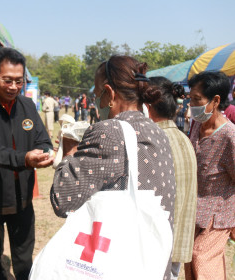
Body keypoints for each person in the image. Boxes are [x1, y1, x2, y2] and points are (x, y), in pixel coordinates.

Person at [50, 55, 176, 279]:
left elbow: (63, 199)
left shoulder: (109, 131)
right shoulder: (158, 131)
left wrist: (69, 152)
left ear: (109, 93)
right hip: (151, 263)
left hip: (116, 265)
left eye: (97, 95)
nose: (97, 102)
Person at [0, 47, 54, 280]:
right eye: (8, 80)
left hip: (22, 197)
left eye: (19, 81)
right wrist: (24, 159)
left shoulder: (27, 106)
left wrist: (48, 152)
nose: (14, 87)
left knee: (24, 257)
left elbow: (42, 139)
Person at [184, 71, 235, 280]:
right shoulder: (197, 125)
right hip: (194, 212)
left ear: (215, 101)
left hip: (218, 216)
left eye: (197, 100)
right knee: (189, 262)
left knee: (201, 257)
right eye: (190, 98)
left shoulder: (229, 136)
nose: (191, 104)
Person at [147, 77, 198, 280]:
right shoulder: (183, 139)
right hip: (176, 241)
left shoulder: (152, 140)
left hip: (155, 246)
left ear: (147, 107)